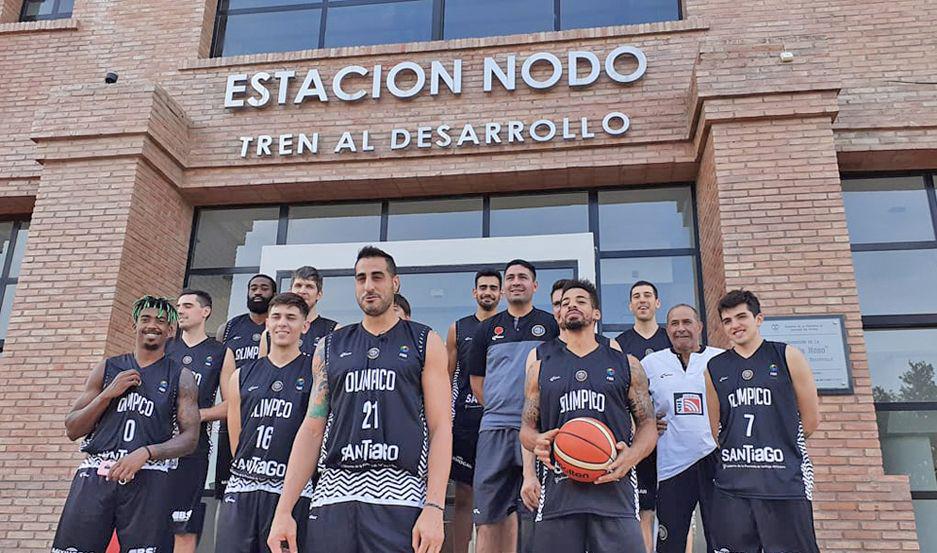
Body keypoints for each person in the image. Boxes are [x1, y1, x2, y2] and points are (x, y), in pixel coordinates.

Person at [267, 246, 451, 553]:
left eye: (377, 277)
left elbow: (441, 427)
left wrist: (434, 506)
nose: (368, 286)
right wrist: (284, 510)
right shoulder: (329, 346)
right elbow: (312, 428)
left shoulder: (424, 341)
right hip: (334, 495)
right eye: (360, 278)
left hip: (400, 495)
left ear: (395, 283)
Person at [53, 296, 200, 553]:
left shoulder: (181, 376)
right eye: (145, 319)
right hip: (97, 474)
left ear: (170, 330)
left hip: (149, 476)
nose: (152, 325)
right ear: (135, 325)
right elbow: (72, 428)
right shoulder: (108, 368)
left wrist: (147, 452)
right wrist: (107, 394)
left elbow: (190, 439)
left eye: (161, 321)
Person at [519, 279, 656, 553]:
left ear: (596, 313)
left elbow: (648, 425)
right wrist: (538, 442)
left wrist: (633, 455)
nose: (571, 306)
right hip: (559, 495)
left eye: (581, 301)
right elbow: (526, 428)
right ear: (558, 313)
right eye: (566, 302)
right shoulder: (539, 367)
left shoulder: (627, 364)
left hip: (615, 494)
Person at [705, 289, 820, 553]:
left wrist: (774, 447)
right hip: (733, 485)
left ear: (758, 319)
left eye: (741, 317)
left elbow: (811, 420)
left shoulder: (787, 356)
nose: (735, 325)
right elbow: (716, 428)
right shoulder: (715, 367)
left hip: (783, 482)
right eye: (727, 321)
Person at [468, 259, 559, 553]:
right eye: (511, 278)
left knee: (537, 511)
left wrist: (534, 416)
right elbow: (477, 381)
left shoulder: (550, 325)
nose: (516, 281)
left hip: (541, 431)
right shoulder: (487, 329)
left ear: (535, 286)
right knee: (490, 514)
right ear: (504, 288)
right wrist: (498, 407)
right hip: (495, 429)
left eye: (523, 277)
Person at [215, 292, 315, 553]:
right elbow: (236, 437)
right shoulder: (241, 375)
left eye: (291, 318)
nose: (283, 323)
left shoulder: (316, 374)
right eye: (277, 317)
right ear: (267, 324)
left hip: (290, 490)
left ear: (304, 326)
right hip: (244, 486)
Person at [640, 304, 723, 553]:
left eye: (687, 322)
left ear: (699, 326)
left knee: (721, 538)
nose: (681, 328)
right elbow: (634, 407)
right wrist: (646, 424)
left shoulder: (720, 359)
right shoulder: (651, 363)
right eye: (674, 324)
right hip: (672, 465)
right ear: (667, 330)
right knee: (670, 541)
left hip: (716, 460)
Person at [166, 290, 236, 553]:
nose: (180, 311)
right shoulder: (166, 346)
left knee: (183, 525)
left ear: (205, 311)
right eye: (178, 306)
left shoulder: (220, 352)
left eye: (187, 306)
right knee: (148, 521)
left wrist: (198, 415)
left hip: (193, 448)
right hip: (155, 445)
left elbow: (232, 405)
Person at [446, 269, 502, 553]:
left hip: (500, 422)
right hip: (466, 422)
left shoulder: (508, 327)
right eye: (483, 287)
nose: (488, 292)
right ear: (474, 292)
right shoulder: (458, 328)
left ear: (501, 293)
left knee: (499, 495)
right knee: (465, 496)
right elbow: (446, 378)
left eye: (493, 287)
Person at [613, 280, 671, 550]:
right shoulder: (620, 344)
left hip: (673, 436)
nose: (642, 300)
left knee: (675, 511)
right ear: (630, 305)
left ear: (657, 303)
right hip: (639, 436)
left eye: (648, 295)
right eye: (636, 296)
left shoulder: (671, 338)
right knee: (644, 510)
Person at [261, 266, 338, 358]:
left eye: (309, 286)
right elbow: (262, 368)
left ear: (319, 294)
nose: (302, 291)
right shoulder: (270, 333)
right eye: (298, 285)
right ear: (290, 291)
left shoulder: (333, 330)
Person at [217, 274, 278, 369]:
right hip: (233, 382)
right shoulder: (228, 328)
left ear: (274, 295)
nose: (258, 292)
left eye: (264, 289)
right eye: (253, 289)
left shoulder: (280, 326)